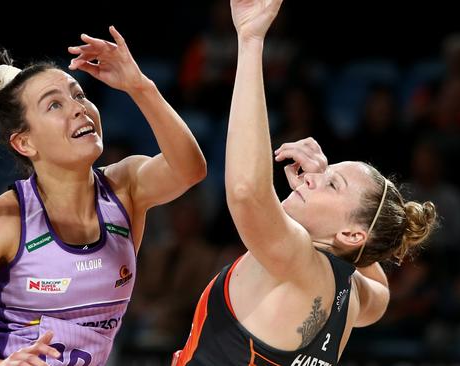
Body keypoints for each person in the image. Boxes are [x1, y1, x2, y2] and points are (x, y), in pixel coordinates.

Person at [0, 2, 207, 365]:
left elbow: (190, 169)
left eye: (78, 95)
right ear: (24, 142)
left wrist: (139, 86)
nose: (78, 107)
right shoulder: (1, 220)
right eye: (54, 105)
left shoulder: (126, 188)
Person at [173, 1, 437, 365]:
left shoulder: (299, 259)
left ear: (350, 234)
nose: (313, 177)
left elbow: (247, 192)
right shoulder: (356, 294)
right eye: (324, 174)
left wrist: (250, 41)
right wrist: (326, 185)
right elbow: (383, 291)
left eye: (331, 185)